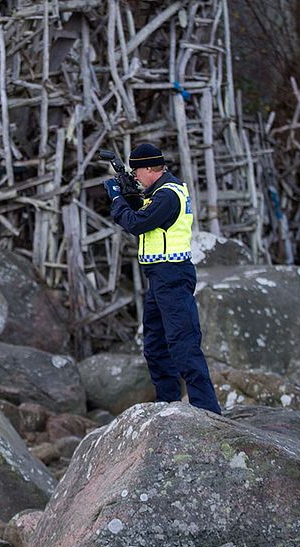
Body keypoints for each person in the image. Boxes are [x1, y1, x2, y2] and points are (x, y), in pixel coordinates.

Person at [105, 143, 223, 415]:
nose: (134, 176)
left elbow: (137, 223)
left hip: (173, 275)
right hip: (159, 277)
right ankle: (168, 404)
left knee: (184, 345)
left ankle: (208, 411)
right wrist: (127, 194)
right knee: (155, 346)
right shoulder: (159, 192)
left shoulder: (168, 195)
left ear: (149, 169)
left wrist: (116, 200)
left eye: (136, 171)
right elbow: (144, 211)